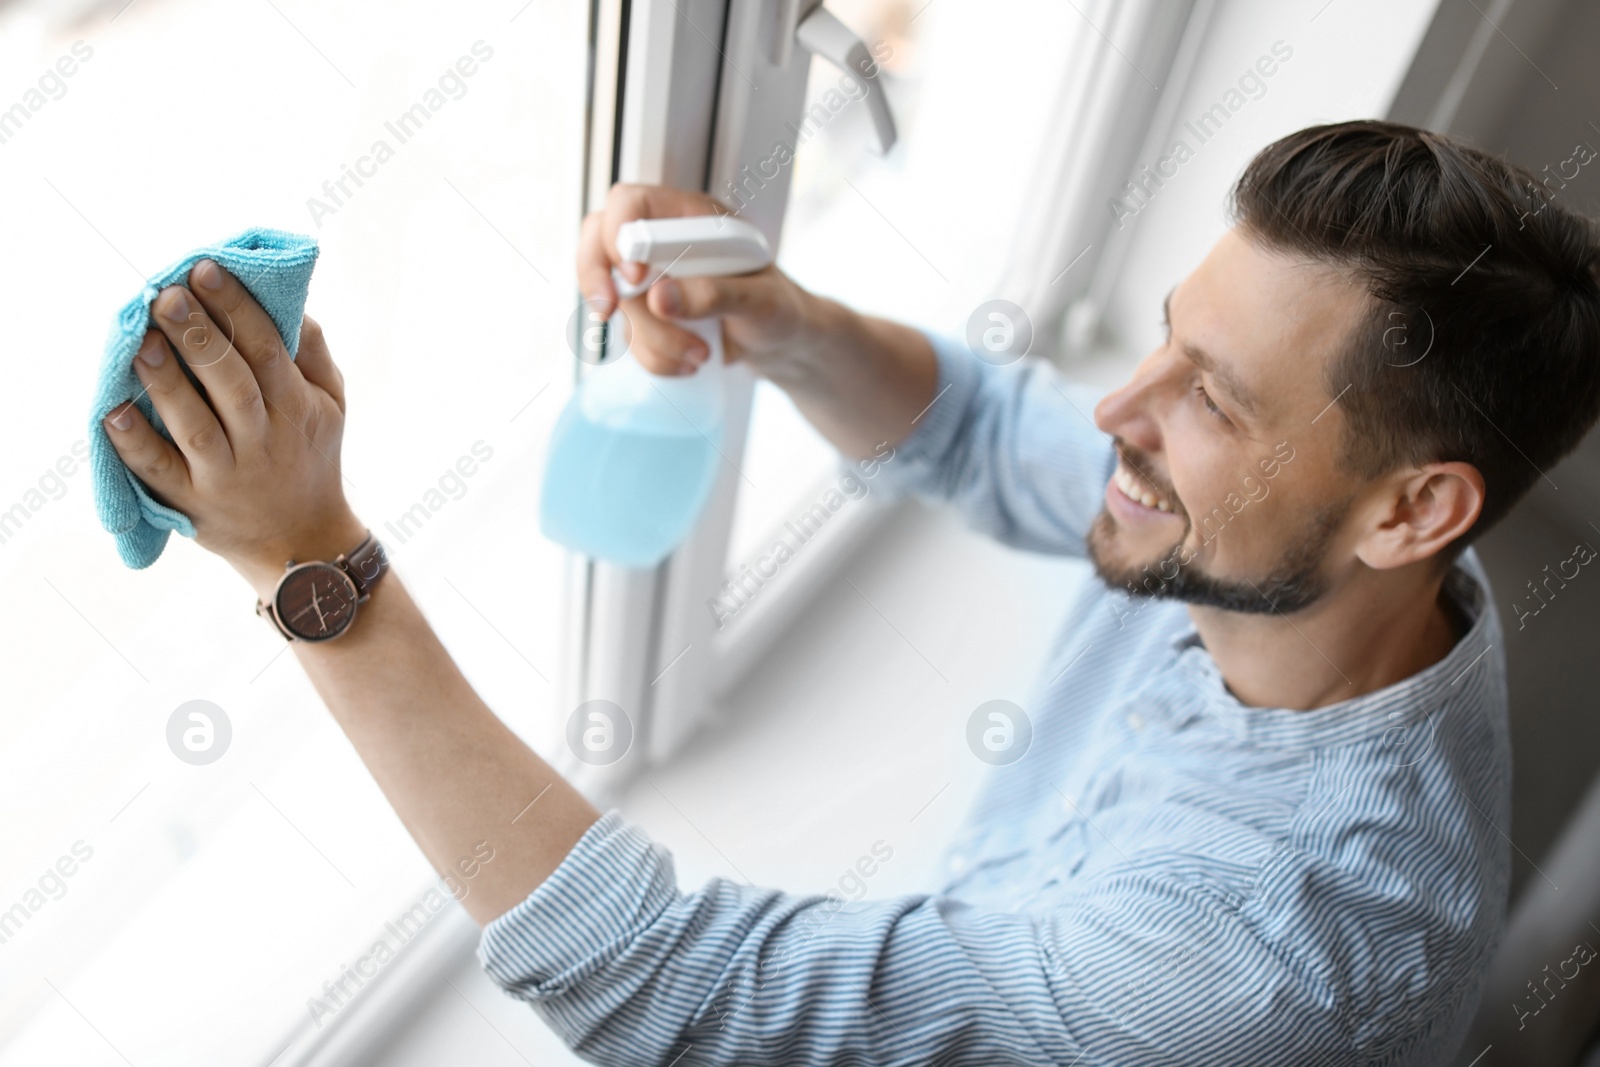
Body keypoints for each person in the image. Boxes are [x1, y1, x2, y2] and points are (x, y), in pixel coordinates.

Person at [100, 120, 1600, 1064]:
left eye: (1209, 396)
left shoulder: (1250, 977)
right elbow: (988, 432)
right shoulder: (1339, 562)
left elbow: (685, 999)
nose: (1116, 412)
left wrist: (315, 568)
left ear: (1416, 510)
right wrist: (781, 321)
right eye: (1163, 341)